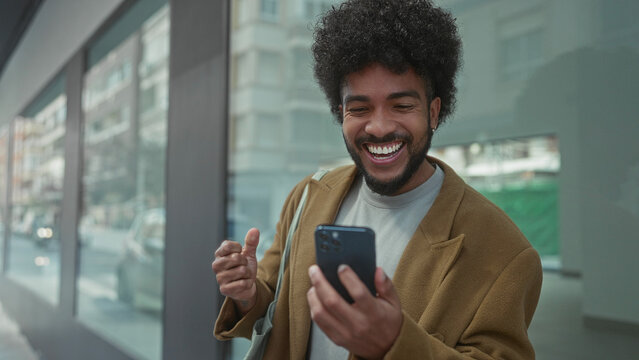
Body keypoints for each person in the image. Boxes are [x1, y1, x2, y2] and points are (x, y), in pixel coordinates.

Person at [213, 0, 543, 359]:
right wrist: (248, 294)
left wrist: (394, 344)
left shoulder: (506, 252)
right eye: (359, 108)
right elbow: (275, 303)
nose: (380, 127)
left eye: (401, 106)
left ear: (433, 112)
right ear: (340, 113)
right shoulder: (308, 195)